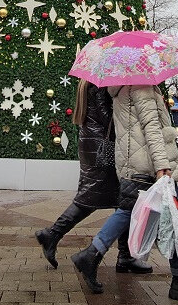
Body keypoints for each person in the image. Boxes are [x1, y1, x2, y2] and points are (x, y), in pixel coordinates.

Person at [71, 84, 178, 301]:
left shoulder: (121, 88)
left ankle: (91, 255)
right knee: (173, 219)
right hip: (151, 164)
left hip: (133, 161)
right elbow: (151, 127)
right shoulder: (141, 86)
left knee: (128, 211)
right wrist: (161, 165)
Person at [36, 80, 151, 274]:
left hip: (93, 144)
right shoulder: (99, 85)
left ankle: (125, 257)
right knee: (90, 198)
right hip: (102, 148)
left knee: (121, 200)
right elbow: (107, 118)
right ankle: (52, 234)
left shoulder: (89, 83)